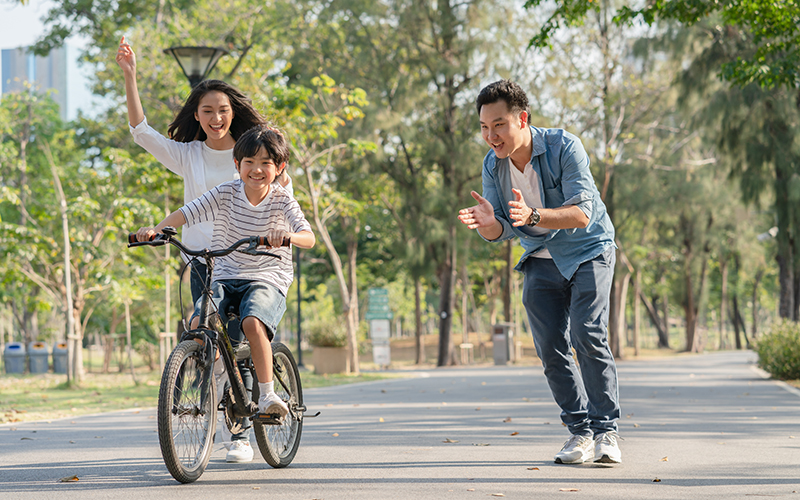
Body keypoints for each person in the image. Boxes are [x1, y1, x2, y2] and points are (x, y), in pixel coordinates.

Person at [116, 36, 292, 462]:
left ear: (234, 115)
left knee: (239, 334)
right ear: (197, 115)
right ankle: (204, 407)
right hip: (202, 261)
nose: (216, 117)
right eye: (208, 111)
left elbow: (282, 194)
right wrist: (129, 75)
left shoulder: (253, 157)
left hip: (250, 260)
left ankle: (241, 433)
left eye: (223, 111)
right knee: (202, 330)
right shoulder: (188, 155)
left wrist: (277, 233)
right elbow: (141, 132)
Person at [457, 80, 621, 464]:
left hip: (588, 251)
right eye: (483, 127)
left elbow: (582, 213)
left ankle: (606, 430)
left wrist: (533, 215)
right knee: (550, 347)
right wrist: (486, 223)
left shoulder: (565, 147)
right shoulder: (492, 165)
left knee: (587, 333)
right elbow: (500, 230)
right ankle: (580, 431)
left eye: (498, 125)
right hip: (540, 257)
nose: (490, 136)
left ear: (522, 119)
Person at [135, 124, 315, 440]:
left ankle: (268, 393)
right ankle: (214, 375)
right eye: (249, 162)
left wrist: (287, 236)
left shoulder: (281, 199)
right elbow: (187, 212)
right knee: (198, 323)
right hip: (225, 273)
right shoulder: (226, 192)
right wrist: (156, 229)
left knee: (251, 321)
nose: (256, 170)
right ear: (237, 164)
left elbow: (308, 236)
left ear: (279, 168)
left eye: (265, 163)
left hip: (266, 276)